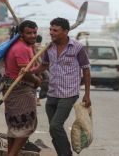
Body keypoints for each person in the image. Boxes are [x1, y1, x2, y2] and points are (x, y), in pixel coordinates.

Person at [31, 17, 91, 156]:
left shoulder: (78, 48)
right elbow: (44, 65)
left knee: (55, 125)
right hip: (52, 93)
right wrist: (30, 71)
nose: (52, 33)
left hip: (69, 94)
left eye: (55, 30)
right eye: (51, 29)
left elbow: (86, 70)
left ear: (65, 31)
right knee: (53, 130)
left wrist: (87, 94)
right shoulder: (49, 47)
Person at [2, 20, 42, 156]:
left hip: (11, 89)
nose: (32, 35)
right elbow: (25, 72)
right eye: (29, 33)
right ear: (21, 34)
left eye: (34, 32)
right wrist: (37, 80)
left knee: (15, 126)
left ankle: (11, 153)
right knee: (26, 125)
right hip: (20, 89)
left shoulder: (22, 46)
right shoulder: (22, 48)